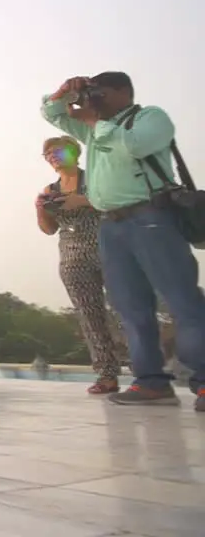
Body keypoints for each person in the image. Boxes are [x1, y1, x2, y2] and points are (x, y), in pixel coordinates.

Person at [42, 72, 204, 410]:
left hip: (152, 219)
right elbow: (52, 113)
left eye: (96, 93)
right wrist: (62, 92)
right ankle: (150, 382)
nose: (90, 100)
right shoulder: (93, 127)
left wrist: (95, 122)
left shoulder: (149, 118)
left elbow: (136, 145)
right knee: (130, 308)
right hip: (111, 226)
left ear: (120, 92)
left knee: (181, 301)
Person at [35, 135, 122, 394]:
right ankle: (107, 373)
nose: (53, 157)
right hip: (73, 256)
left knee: (128, 309)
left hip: (109, 248)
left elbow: (118, 203)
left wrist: (82, 201)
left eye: (58, 151)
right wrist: (41, 209)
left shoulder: (95, 177)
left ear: (74, 152)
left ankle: (147, 370)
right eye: (48, 154)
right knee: (89, 315)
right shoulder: (52, 189)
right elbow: (48, 229)